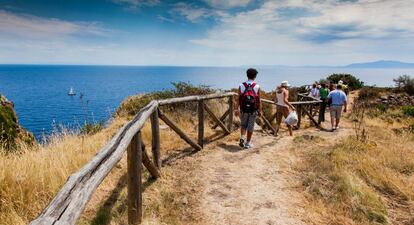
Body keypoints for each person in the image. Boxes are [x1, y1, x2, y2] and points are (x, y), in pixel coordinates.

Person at [235, 68, 262, 149]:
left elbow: (239, 98)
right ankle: (248, 143)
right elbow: (259, 100)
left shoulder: (241, 85)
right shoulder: (257, 86)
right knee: (251, 126)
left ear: (247, 75)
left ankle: (242, 138)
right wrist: (260, 110)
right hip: (253, 110)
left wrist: (237, 109)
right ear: (255, 76)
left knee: (243, 125)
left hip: (243, 109)